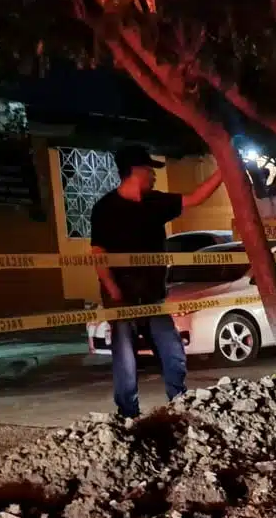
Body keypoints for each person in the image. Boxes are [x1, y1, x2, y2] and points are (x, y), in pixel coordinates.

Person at [90, 144, 223, 420]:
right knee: (125, 360)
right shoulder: (105, 209)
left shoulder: (156, 203)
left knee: (172, 351)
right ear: (136, 170)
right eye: (150, 170)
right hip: (121, 298)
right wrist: (114, 292)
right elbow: (98, 254)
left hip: (153, 297)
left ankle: (179, 401)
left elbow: (196, 198)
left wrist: (225, 170)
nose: (154, 176)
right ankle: (129, 415)